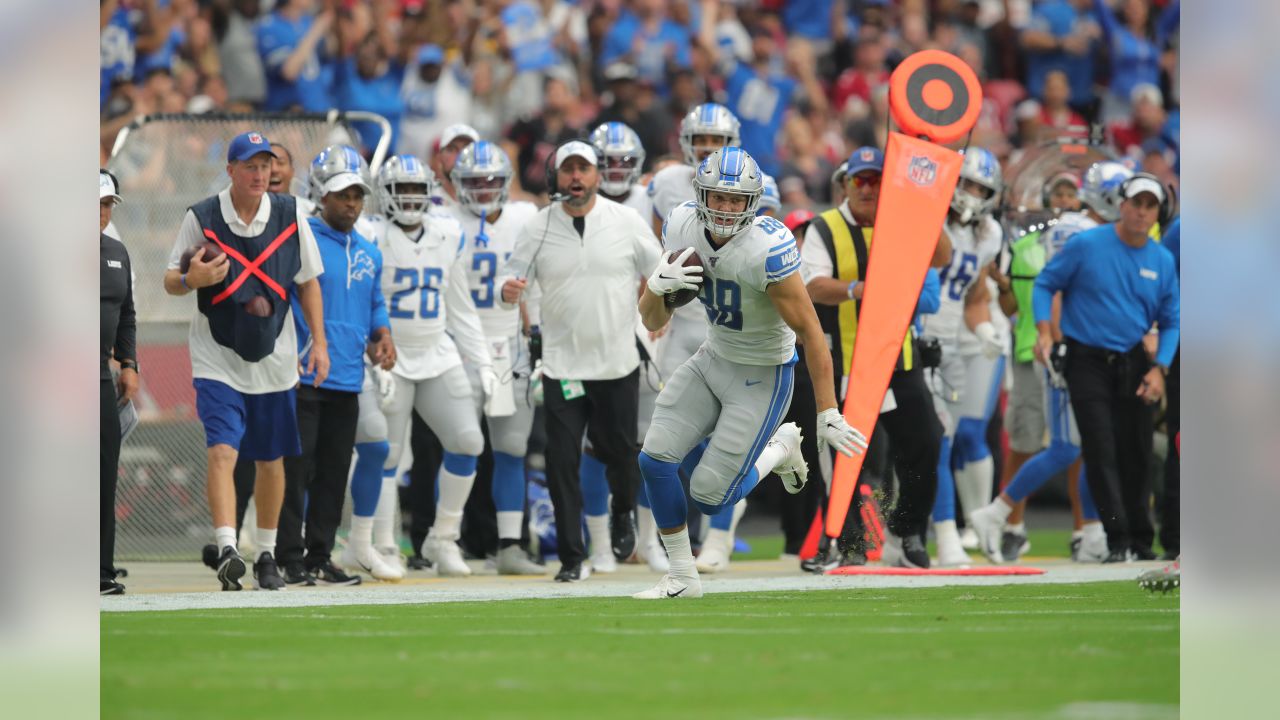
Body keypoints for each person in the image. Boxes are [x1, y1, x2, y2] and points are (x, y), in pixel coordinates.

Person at [633, 146, 868, 599]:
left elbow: (812, 333)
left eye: (734, 199)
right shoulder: (681, 224)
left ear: (752, 202)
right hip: (714, 355)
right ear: (701, 195)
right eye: (717, 197)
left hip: (762, 373)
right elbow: (653, 321)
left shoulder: (767, 248)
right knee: (655, 458)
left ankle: (781, 448)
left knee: (710, 495)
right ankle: (682, 577)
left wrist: (828, 411)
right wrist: (656, 290)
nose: (724, 207)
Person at [164, 131, 329, 591]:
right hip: (216, 354)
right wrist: (190, 277)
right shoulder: (201, 215)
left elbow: (309, 282)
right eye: (251, 166)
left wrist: (319, 343)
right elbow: (169, 280)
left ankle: (267, 554)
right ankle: (228, 547)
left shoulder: (292, 212)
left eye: (266, 166)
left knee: (271, 459)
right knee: (222, 450)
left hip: (275, 355)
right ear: (231, 170)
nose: (261, 174)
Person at [498, 141, 659, 582]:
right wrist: (508, 292)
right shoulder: (538, 226)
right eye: (568, 169)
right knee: (560, 460)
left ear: (596, 175)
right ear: (556, 176)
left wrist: (657, 317)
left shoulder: (626, 220)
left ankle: (623, 511)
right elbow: (510, 277)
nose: (575, 177)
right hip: (562, 365)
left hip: (617, 362)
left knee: (623, 454)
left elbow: (660, 272)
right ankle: (572, 557)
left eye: (583, 169)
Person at [971, 161, 1132, 563]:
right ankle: (999, 514)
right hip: (1066, 350)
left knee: (1092, 445)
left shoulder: (1111, 235)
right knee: (1065, 447)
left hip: (1095, 350)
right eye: (1122, 197)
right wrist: (1055, 339)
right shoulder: (1073, 230)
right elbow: (1056, 287)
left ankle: (1092, 531)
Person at [802, 146, 948, 569]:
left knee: (926, 443)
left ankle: (907, 532)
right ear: (845, 184)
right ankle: (847, 543)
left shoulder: (902, 222)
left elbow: (942, 256)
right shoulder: (826, 227)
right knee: (844, 455)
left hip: (899, 359)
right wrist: (856, 289)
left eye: (876, 180)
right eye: (859, 180)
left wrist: (928, 208)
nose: (866, 188)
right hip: (846, 363)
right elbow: (812, 285)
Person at [1031, 172, 1178, 562]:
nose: (1142, 212)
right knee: (1100, 448)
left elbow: (1172, 319)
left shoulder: (1161, 260)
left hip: (1135, 360)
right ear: (1122, 205)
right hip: (1087, 358)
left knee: (1138, 451)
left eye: (1150, 206)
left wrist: (1159, 367)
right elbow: (1045, 284)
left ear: (1157, 213)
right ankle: (1116, 539)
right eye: (1136, 204)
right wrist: (1045, 331)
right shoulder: (1087, 245)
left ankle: (1142, 540)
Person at [274, 150, 401, 586]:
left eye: (356, 196)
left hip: (349, 376)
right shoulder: (300, 237)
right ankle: (289, 557)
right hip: (304, 372)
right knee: (297, 470)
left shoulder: (369, 250)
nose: (350, 204)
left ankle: (320, 556)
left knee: (332, 475)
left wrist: (382, 334)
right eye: (341, 195)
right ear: (321, 196)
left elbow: (374, 302)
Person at [370, 146, 495, 578]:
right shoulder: (372, 235)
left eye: (414, 189)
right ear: (384, 193)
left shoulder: (447, 233)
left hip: (438, 354)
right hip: (389, 359)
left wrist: (484, 364)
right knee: (386, 455)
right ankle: (383, 543)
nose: (407, 197)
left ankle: (443, 538)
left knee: (468, 441)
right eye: (399, 189)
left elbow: (461, 306)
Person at [647, 103, 754, 573]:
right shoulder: (669, 183)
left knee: (729, 441)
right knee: (672, 436)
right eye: (702, 139)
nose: (708, 147)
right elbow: (662, 248)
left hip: (729, 319)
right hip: (684, 319)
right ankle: (683, 536)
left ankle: (721, 536)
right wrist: (661, 296)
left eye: (718, 140)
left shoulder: (754, 181)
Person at [446, 141, 546, 575]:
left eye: (491, 181)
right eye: (474, 182)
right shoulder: (443, 223)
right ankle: (443, 540)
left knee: (510, 447)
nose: (484, 190)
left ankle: (509, 545)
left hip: (508, 348)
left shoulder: (525, 218)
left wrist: (535, 330)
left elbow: (538, 281)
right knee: (460, 446)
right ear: (457, 184)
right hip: (457, 348)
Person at [919, 147, 1010, 567]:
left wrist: (986, 327)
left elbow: (975, 296)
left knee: (955, 437)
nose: (973, 193)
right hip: (921, 336)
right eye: (967, 183)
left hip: (954, 343)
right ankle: (941, 531)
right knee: (934, 439)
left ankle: (969, 524)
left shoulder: (989, 234)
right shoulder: (930, 219)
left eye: (981, 187)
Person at [584, 121, 668, 572]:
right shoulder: (578, 204)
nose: (615, 170)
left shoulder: (654, 196)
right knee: (595, 444)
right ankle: (601, 543)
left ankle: (650, 539)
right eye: (607, 161)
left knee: (653, 443)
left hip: (648, 332)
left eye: (622, 161)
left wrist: (662, 310)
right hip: (595, 335)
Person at [100, 170, 136, 596]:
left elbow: (127, 313)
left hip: (98, 375)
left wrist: (129, 363)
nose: (103, 213)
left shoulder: (117, 252)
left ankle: (100, 569)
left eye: (108, 205)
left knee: (103, 473)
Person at [256, 0, 334, 113]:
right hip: (290, 116)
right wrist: (316, 31)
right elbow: (289, 71)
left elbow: (331, 53)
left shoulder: (307, 21)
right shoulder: (269, 26)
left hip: (321, 110)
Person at [398, 44, 474, 159]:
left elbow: (467, 55)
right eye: (427, 66)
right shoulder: (409, 77)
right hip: (409, 149)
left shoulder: (453, 79)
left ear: (442, 65)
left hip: (440, 154)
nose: (431, 70)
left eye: (434, 66)